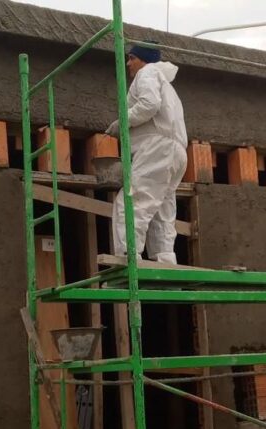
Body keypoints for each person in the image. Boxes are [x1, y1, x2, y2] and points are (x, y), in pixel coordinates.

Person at [105, 42, 187, 265]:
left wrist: (122, 121)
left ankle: (127, 257)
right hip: (176, 152)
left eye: (132, 58)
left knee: (131, 201)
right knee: (162, 208)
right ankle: (165, 260)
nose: (128, 63)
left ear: (144, 59)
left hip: (157, 148)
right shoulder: (168, 86)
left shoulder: (147, 73)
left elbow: (149, 105)